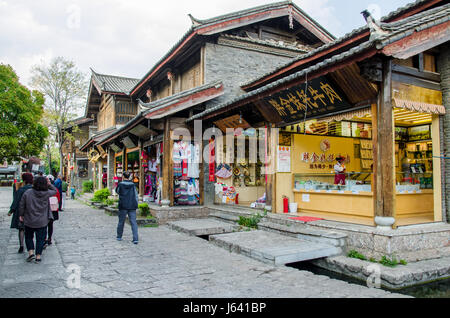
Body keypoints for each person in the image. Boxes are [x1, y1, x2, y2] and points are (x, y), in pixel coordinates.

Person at [18, 176, 57, 263]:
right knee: (40, 239)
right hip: (42, 221)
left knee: (28, 237)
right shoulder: (46, 193)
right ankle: (38, 256)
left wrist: (21, 214)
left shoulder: (28, 192)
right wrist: (49, 184)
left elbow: (21, 204)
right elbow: (55, 191)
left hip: (29, 219)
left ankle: (31, 253)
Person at [8, 173, 34, 253]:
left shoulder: (20, 190)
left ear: (24, 180)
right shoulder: (35, 189)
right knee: (31, 229)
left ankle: (21, 245)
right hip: (32, 212)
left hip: (21, 212)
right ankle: (31, 246)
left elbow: (16, 201)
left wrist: (11, 210)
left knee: (21, 229)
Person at [115, 171, 139, 244]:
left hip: (123, 205)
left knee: (121, 221)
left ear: (123, 176)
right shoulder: (133, 185)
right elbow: (136, 195)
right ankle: (135, 238)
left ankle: (119, 236)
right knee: (133, 222)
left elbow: (117, 192)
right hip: (132, 205)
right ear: (129, 177)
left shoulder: (120, 185)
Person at [45, 179, 60, 248]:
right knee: (50, 225)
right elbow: (58, 198)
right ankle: (49, 238)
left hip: (45, 210)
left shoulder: (42, 190)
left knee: (45, 225)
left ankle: (46, 238)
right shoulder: (53, 190)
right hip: (53, 209)